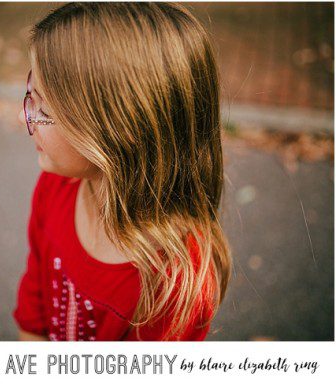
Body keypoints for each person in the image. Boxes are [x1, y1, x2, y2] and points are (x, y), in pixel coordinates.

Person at [13, 2, 231, 341]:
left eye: (45, 108)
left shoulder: (171, 281)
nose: (24, 118)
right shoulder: (54, 186)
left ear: (116, 130)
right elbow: (32, 308)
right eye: (31, 95)